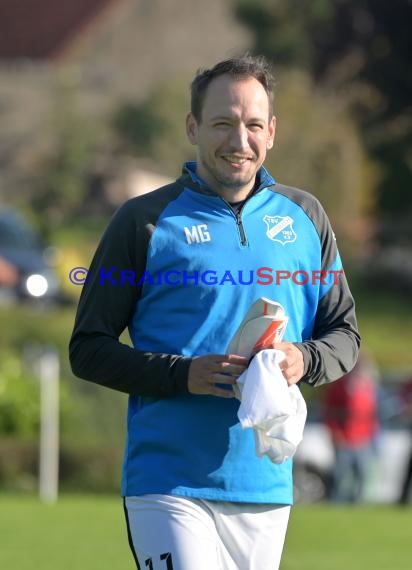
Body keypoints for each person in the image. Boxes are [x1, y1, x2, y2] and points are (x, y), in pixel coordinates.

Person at [69, 54, 360, 570]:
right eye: (222, 123)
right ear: (193, 127)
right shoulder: (144, 221)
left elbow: (344, 335)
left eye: (252, 125)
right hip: (168, 482)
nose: (238, 140)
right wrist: (184, 376)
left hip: (266, 485)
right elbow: (88, 349)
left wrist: (302, 360)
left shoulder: (306, 217)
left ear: (271, 132)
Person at [322, 352, 380, 503]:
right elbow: (330, 412)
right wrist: (335, 433)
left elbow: (371, 415)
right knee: (340, 475)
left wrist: (371, 434)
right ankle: (336, 504)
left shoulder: (368, 387)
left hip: (362, 439)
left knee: (363, 474)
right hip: (344, 438)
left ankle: (357, 503)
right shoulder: (340, 386)